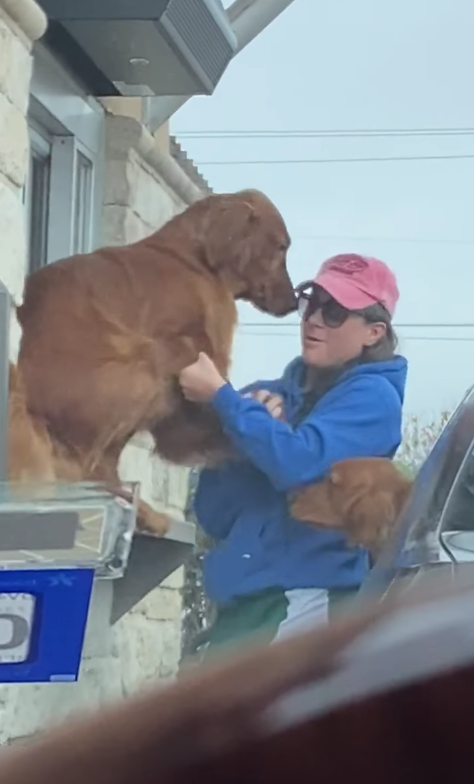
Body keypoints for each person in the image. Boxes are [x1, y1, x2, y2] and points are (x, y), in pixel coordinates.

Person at [178, 253, 408, 658]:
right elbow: (213, 513)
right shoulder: (269, 397)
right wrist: (236, 438)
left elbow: (300, 465)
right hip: (246, 605)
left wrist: (224, 400)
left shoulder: (373, 399)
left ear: (374, 332)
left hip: (304, 598)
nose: (314, 319)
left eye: (335, 311)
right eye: (310, 302)